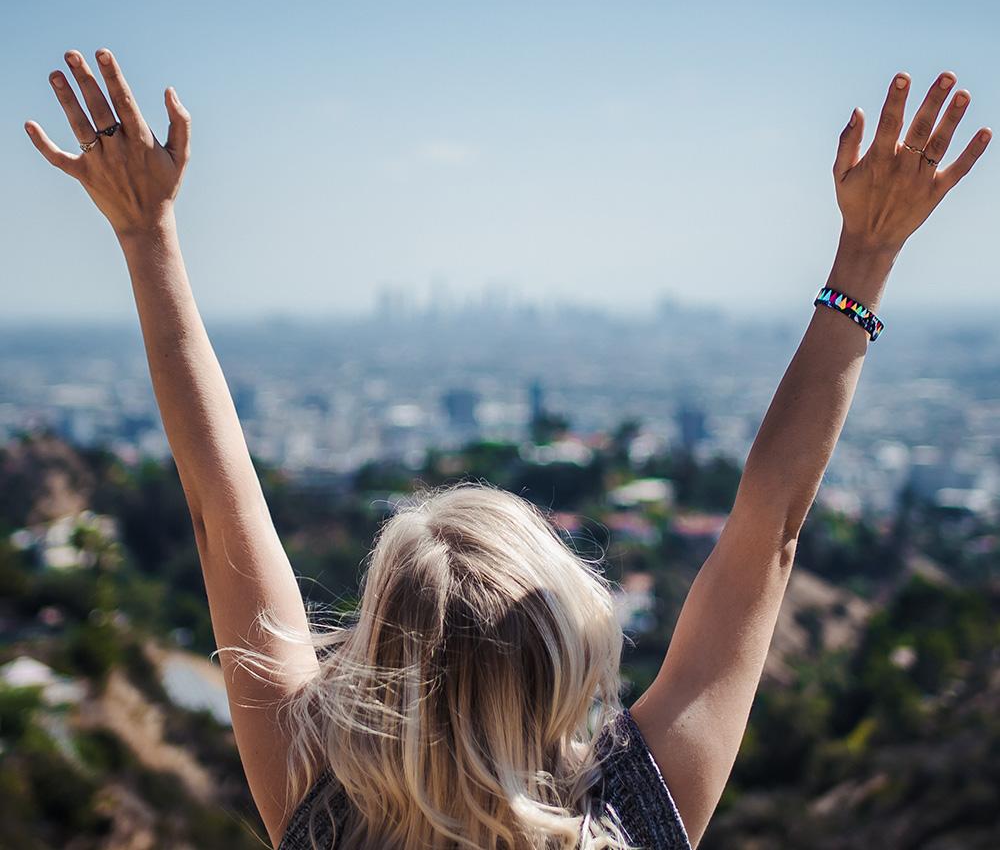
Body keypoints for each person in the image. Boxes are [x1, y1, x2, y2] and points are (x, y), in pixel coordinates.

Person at [24, 50, 991, 850]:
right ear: (567, 654)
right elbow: (769, 529)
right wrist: (865, 255)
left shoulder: (320, 809)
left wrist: (148, 237)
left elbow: (215, 505)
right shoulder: (632, 821)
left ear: (378, 658)